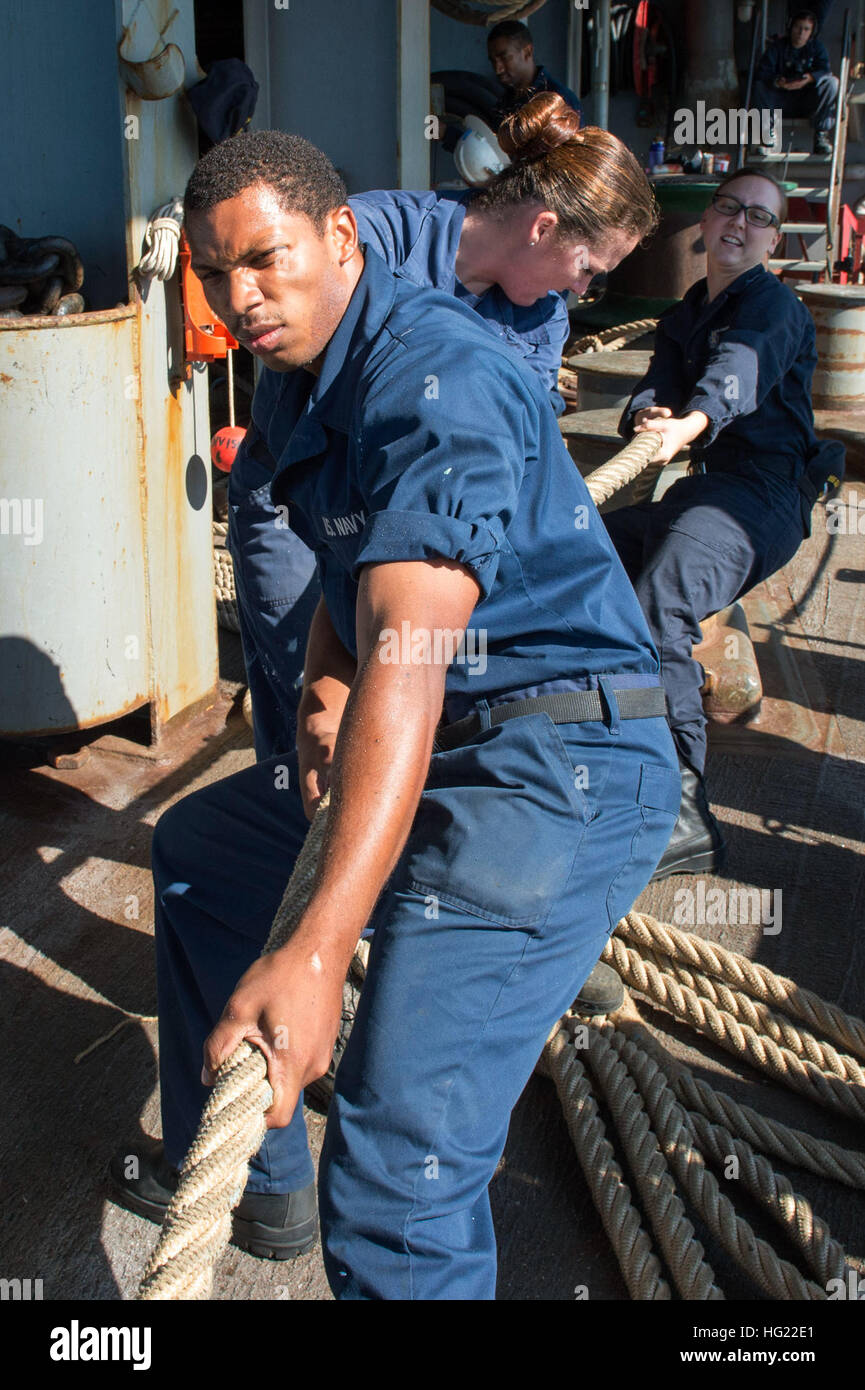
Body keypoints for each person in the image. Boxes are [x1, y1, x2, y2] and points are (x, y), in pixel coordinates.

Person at [110, 129, 680, 1298]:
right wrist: (324, 679)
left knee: (397, 1163)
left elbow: (413, 661)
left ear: (342, 235)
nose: (243, 298)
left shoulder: (444, 384)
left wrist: (318, 952)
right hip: (438, 735)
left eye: (266, 260)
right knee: (200, 856)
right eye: (217, 276)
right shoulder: (295, 376)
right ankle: (262, 1180)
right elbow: (345, 572)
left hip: (556, 761)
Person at [229, 95, 656, 1016]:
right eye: (588, 265)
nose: (584, 289)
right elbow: (286, 379)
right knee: (313, 730)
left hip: (424, 533)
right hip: (310, 511)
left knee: (420, 695)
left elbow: (510, 468)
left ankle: (411, 931)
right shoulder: (370, 237)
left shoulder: (535, 320)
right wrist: (324, 679)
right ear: (543, 226)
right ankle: (305, 932)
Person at [604, 168, 839, 879]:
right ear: (705, 222)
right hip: (702, 494)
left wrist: (695, 419)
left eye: (759, 217)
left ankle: (680, 809)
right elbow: (658, 380)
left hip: (758, 500)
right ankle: (597, 741)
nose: (740, 224)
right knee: (585, 558)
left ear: (773, 239)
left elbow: (740, 370)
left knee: (658, 604)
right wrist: (647, 413)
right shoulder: (686, 312)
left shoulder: (773, 307)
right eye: (729, 209)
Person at [752, 9, 839, 156]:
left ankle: (821, 136)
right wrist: (778, 82)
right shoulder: (777, 47)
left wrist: (809, 79)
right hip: (780, 99)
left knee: (832, 83)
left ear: (811, 32)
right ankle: (767, 136)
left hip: (806, 101)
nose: (801, 33)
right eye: (798, 27)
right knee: (760, 86)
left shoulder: (817, 48)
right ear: (791, 27)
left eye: (806, 29)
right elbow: (763, 72)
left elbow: (825, 71)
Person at [487, 19, 582, 126]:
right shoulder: (504, 103)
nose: (498, 69)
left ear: (527, 52)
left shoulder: (560, 100)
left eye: (505, 58)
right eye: (493, 61)